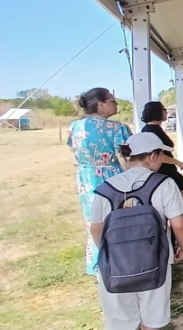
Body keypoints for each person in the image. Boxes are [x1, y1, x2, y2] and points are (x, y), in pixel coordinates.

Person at [89, 132, 183, 330]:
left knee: (122, 321)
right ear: (153, 156)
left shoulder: (104, 189)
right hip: (155, 261)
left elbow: (95, 228)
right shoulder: (165, 184)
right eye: (161, 155)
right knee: (152, 319)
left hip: (116, 267)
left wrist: (110, 253)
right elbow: (178, 224)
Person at [67, 87, 132, 275]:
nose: (116, 103)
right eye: (113, 100)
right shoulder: (117, 128)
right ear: (101, 105)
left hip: (85, 176)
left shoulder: (74, 127)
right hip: (110, 175)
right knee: (116, 217)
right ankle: (119, 261)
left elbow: (73, 155)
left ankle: (98, 264)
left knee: (93, 220)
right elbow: (128, 157)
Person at [140, 101, 183, 207]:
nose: (166, 112)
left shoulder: (151, 129)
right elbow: (157, 155)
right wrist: (178, 162)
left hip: (165, 170)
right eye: (164, 109)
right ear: (158, 112)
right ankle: (173, 219)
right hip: (165, 171)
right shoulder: (152, 130)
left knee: (172, 199)